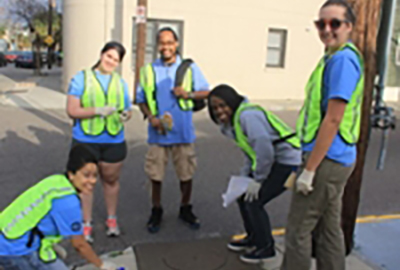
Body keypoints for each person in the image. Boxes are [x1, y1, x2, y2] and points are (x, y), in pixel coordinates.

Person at [281, 1, 364, 270]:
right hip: (336, 158)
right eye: (321, 23)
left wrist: (310, 170)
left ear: (349, 27)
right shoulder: (334, 56)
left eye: (335, 23)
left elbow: (333, 118)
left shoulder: (341, 60)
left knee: (298, 230)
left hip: (327, 159)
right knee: (329, 228)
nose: (327, 29)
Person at [208, 85, 301, 263]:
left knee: (255, 201)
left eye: (223, 105)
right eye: (215, 108)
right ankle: (254, 238)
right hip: (274, 162)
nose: (219, 111)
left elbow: (265, 151)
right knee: (243, 196)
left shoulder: (247, 116)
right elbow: (251, 154)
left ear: (233, 102)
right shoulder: (233, 123)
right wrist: (244, 179)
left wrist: (258, 180)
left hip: (291, 165)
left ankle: (266, 248)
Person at [136, 27, 209, 233]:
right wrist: (151, 117)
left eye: (170, 42)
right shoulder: (149, 70)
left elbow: (206, 92)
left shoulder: (189, 68)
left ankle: (185, 208)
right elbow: (141, 100)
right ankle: (156, 209)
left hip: (183, 132)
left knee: (186, 174)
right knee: (155, 175)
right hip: (158, 134)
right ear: (157, 45)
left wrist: (188, 94)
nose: (166, 47)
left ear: (176, 44)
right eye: (162, 43)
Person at [0, 145, 120, 270]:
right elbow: (79, 245)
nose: (92, 181)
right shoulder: (68, 203)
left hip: (7, 235)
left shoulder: (56, 182)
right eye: (86, 175)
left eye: (95, 175)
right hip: (16, 250)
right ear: (71, 174)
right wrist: (101, 265)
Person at [66, 41, 132, 243]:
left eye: (116, 60)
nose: (111, 61)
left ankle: (111, 219)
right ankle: (86, 223)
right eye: (109, 56)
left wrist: (125, 115)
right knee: (86, 184)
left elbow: (126, 108)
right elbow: (72, 110)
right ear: (102, 54)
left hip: (113, 139)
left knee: (111, 181)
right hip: (86, 140)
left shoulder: (120, 82)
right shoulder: (81, 78)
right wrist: (97, 111)